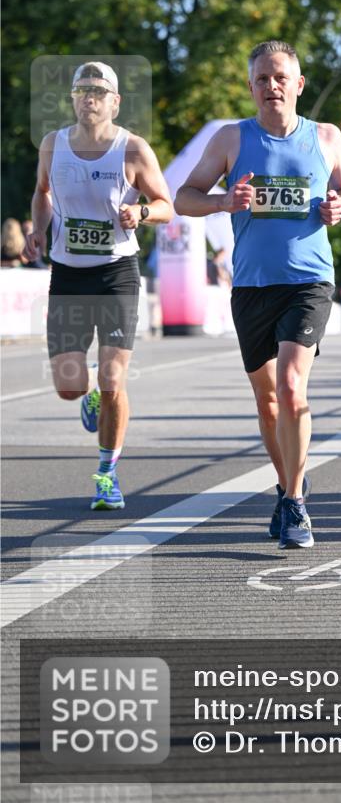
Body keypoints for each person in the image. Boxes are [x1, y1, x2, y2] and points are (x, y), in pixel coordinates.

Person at [174, 40, 341, 549]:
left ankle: (296, 504)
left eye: (280, 77)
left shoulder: (326, 136)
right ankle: (286, 486)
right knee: (269, 404)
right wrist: (222, 201)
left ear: (298, 85)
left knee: (293, 387)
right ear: (251, 87)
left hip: (309, 281)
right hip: (253, 286)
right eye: (262, 79)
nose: (271, 86)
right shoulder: (231, 139)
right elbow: (182, 198)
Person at [24, 61, 173, 510]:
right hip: (68, 274)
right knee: (70, 386)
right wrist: (37, 229)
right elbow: (42, 192)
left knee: (113, 380)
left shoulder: (133, 150)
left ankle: (106, 475)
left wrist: (143, 213)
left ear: (115, 101)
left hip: (116, 274)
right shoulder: (53, 145)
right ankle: (87, 391)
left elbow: (167, 204)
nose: (89, 97)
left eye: (98, 90)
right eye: (82, 90)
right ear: (73, 98)